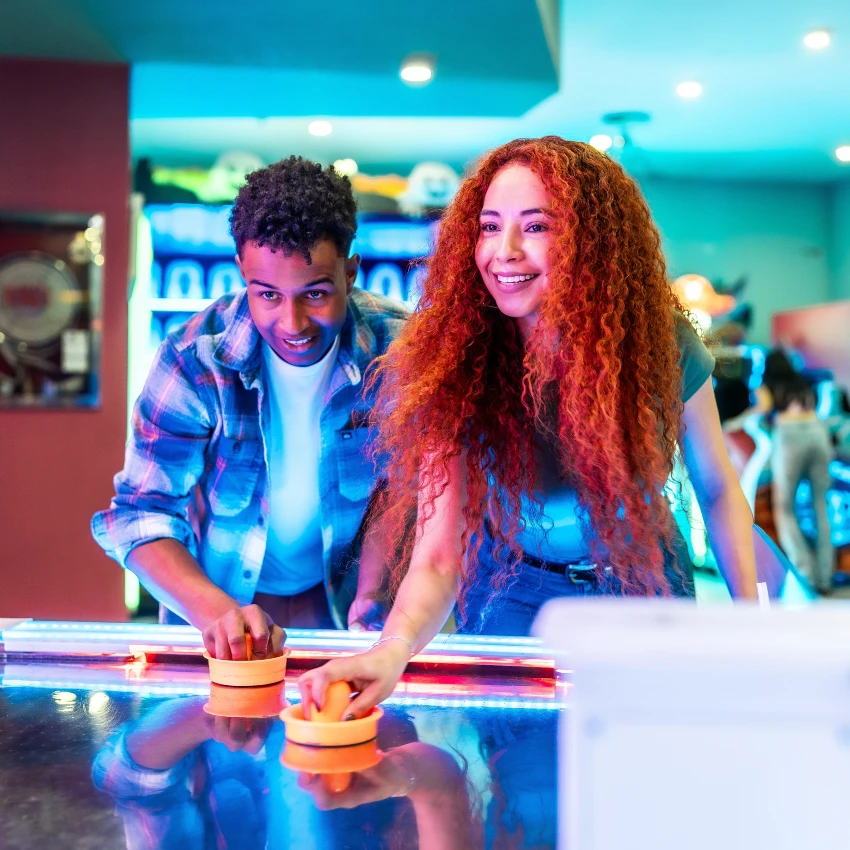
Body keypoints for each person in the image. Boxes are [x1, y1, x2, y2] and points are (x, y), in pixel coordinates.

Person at [298, 136, 758, 719]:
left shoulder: (658, 341)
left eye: (536, 226)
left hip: (643, 584)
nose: (504, 251)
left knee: (644, 774)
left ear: (591, 241)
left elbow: (717, 491)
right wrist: (392, 651)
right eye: (489, 227)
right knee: (525, 787)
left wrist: (754, 628)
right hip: (511, 591)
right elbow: (439, 555)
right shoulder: (452, 356)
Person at [92, 156, 408, 658]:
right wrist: (219, 613)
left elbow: (411, 493)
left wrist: (374, 599)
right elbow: (142, 513)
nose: (292, 322)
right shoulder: (192, 360)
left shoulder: (403, 352)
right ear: (242, 271)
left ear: (350, 272)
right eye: (268, 295)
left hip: (347, 618)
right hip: (213, 620)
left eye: (316, 293)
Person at [761, 350, 835, 594]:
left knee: (784, 508)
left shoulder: (768, 384)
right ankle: (825, 576)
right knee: (821, 508)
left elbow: (760, 409)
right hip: (817, 432)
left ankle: (805, 573)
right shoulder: (803, 381)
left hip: (790, 435)